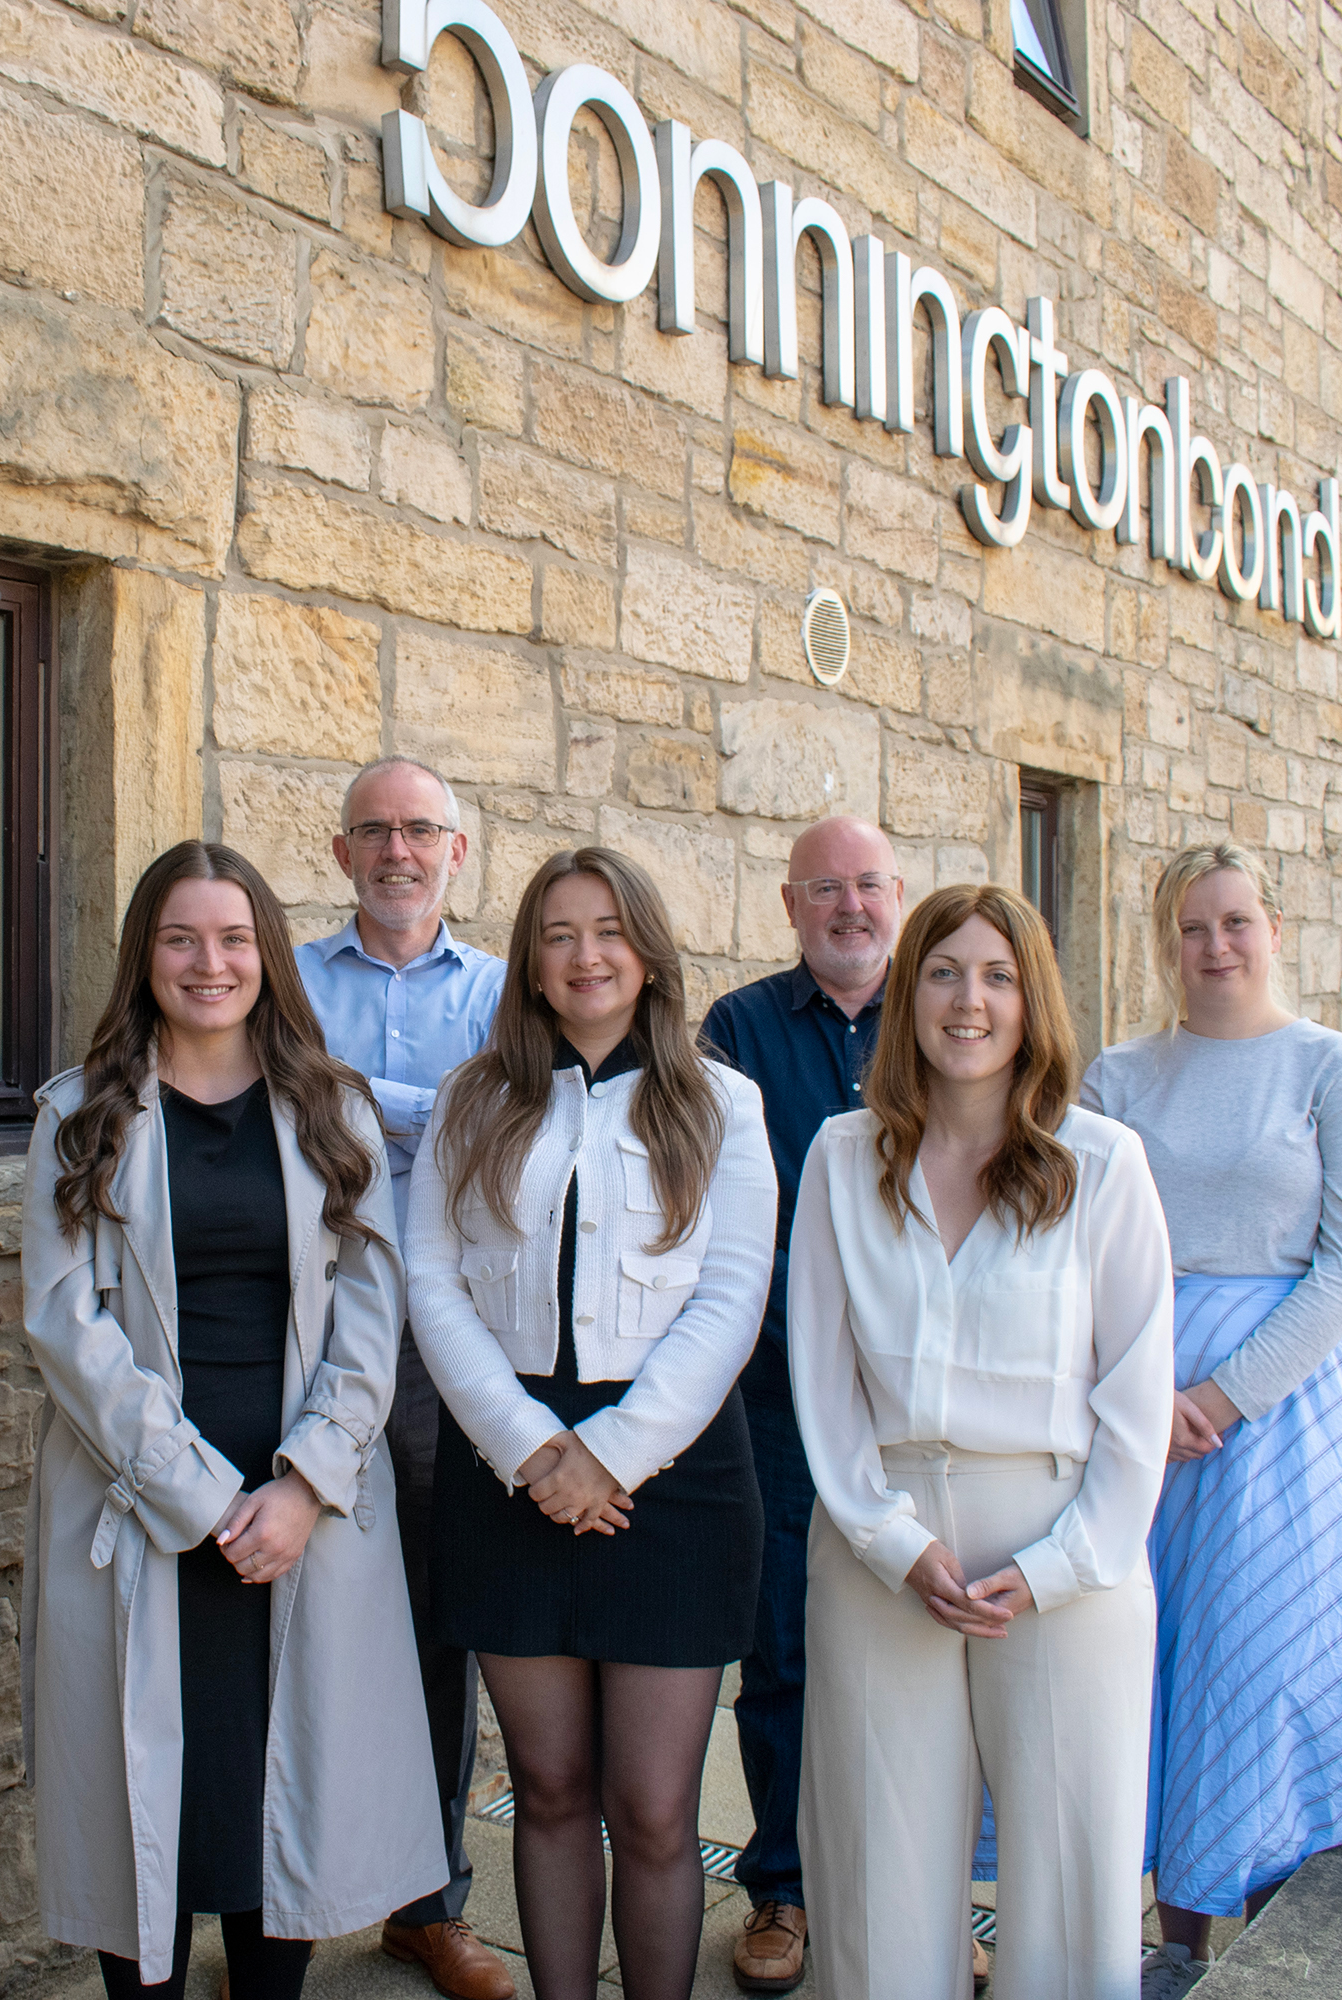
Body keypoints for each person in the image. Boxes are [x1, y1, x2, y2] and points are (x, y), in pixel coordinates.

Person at [19, 840, 445, 2000]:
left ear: (266, 951)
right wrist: (203, 1496)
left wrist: (303, 1482)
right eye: (179, 937)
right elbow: (65, 1326)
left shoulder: (332, 1105)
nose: (209, 962)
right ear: (143, 955)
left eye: (233, 937)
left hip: (301, 1506)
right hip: (142, 1498)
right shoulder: (79, 1113)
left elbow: (374, 1309)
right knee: (141, 1816)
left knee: (281, 1814)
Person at [1079, 840, 1342, 1991]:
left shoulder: (1328, 1068)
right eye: (1192, 928)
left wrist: (1223, 1391)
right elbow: (1079, 1244)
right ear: (1165, 941)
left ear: (1273, 927)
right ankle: (1165, 1934)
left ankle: (1271, 1904)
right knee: (1150, 1659)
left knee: (1260, 1662)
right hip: (1135, 1397)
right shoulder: (1119, 1075)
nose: (1215, 947)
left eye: (1235, 922)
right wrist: (1139, 1391)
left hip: (1280, 1414)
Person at [787, 883, 1175, 2000]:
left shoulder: (1100, 1165)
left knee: (1067, 1877)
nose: (969, 1000)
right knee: (876, 1863)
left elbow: (1135, 1403)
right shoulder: (837, 1158)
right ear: (907, 995)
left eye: (997, 975)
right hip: (883, 1546)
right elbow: (821, 1378)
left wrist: (1056, 1567)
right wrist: (885, 1539)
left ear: (1031, 1000)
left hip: (1061, 1548)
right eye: (945, 972)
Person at [407, 847, 778, 2000]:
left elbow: (730, 1296)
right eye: (559, 933)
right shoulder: (476, 1097)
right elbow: (432, 1279)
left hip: (671, 1469)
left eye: (608, 928)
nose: (585, 954)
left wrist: (608, 1452)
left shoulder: (722, 1102)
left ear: (649, 950)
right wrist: (527, 1447)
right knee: (551, 1782)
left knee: (656, 1805)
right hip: (506, 1460)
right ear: (529, 961)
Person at [293, 757, 512, 2000]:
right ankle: (279, 1891)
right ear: (340, 853)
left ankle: (426, 1903)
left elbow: (500, 1124)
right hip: (300, 1322)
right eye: (373, 829)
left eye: (420, 829)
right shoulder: (290, 977)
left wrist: (354, 1095)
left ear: (455, 852)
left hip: (439, 1336)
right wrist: (423, 1109)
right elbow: (276, 1104)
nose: (397, 849)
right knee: (293, 1599)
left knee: (435, 1616)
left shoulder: (500, 991)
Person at [697, 815, 906, 1994]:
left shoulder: (937, 1009)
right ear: (789, 905)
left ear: (895, 894)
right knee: (779, 1643)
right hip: (776, 1384)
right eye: (824, 888)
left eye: (867, 885)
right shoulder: (736, 1028)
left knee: (916, 1636)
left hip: (914, 1388)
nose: (848, 907)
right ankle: (782, 1883)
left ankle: (912, 1890)